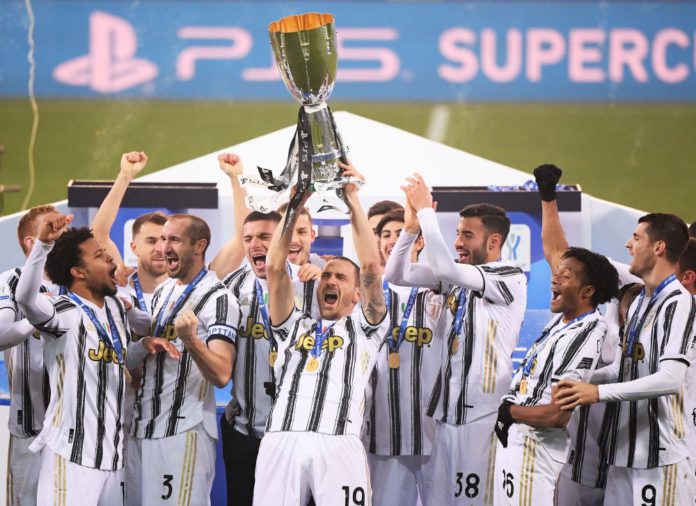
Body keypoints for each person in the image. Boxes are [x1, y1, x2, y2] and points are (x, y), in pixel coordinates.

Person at [385, 173, 527, 506]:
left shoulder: (509, 277)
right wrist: (410, 228)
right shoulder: (457, 277)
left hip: (481, 419)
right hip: (445, 419)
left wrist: (426, 212)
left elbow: (446, 269)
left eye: (467, 235)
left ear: (493, 242)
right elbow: (396, 273)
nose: (458, 242)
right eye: (457, 233)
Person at [252, 162, 389, 505]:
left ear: (358, 294)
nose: (330, 281)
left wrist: (353, 198)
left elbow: (371, 266)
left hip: (338, 440)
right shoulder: (292, 324)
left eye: (341, 277)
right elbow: (273, 267)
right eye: (326, 275)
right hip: (281, 438)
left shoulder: (365, 328)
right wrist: (296, 202)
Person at [14, 213, 174, 505]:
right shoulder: (62, 311)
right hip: (71, 456)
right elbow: (25, 299)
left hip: (112, 458)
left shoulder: (114, 308)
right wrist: (42, 246)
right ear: (79, 272)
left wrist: (145, 346)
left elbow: (117, 358)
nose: (112, 261)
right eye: (101, 256)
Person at [492, 164, 619, 505]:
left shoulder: (587, 331)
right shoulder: (563, 319)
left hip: (537, 449)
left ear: (588, 290)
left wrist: (508, 412)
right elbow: (555, 250)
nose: (554, 277)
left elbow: (556, 415)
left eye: (565, 276)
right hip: (519, 444)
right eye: (557, 273)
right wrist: (547, 195)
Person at [554, 212, 696, 504]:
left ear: (658, 248)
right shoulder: (640, 301)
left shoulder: (679, 302)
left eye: (636, 237)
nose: (628, 244)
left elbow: (671, 379)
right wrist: (580, 379)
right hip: (622, 456)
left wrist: (596, 392)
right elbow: (625, 368)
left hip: (660, 461)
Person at [130, 214, 240, 505]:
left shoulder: (219, 299)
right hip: (146, 427)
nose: (164, 247)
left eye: (174, 239)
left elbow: (222, 373)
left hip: (183, 431)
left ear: (199, 245)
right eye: (163, 238)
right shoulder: (164, 290)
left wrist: (191, 340)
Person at [220, 209, 319, 506]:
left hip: (302, 434)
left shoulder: (315, 284)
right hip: (246, 431)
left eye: (265, 236)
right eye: (248, 238)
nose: (255, 245)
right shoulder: (231, 287)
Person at [366, 207, 444, 506]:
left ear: (419, 241)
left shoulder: (440, 288)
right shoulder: (369, 293)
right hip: (383, 433)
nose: (393, 240)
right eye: (386, 235)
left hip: (432, 432)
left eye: (402, 233)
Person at [0, 204, 63, 505]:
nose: (61, 234)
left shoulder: (75, 283)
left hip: (71, 431)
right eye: (53, 228)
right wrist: (36, 318)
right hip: (28, 427)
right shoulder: (10, 281)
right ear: (32, 242)